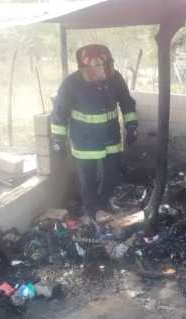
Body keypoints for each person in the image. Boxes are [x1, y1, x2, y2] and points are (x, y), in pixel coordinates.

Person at [51, 44, 139, 221]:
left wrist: (131, 127)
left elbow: (127, 103)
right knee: (88, 179)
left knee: (112, 176)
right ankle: (92, 211)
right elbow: (60, 112)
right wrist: (58, 140)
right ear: (86, 67)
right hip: (85, 142)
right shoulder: (71, 84)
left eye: (103, 66)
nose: (101, 71)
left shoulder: (115, 79)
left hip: (111, 138)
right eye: (96, 67)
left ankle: (104, 203)